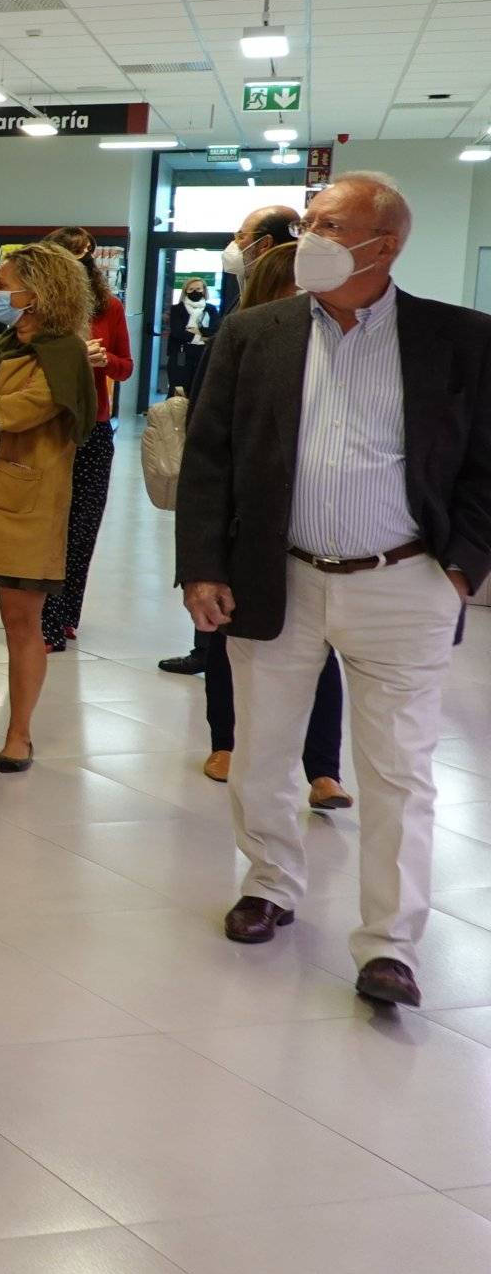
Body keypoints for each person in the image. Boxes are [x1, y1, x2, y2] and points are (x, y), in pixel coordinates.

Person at [176, 172, 491, 1008]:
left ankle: (388, 943)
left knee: (398, 770)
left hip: (405, 579)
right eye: (308, 218)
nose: (306, 232)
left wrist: (459, 566)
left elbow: (487, 467)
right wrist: (203, 565)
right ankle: (270, 883)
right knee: (264, 749)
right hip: (278, 576)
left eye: (326, 221)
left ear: (383, 245)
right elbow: (209, 458)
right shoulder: (255, 334)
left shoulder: (461, 339)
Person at [193, 241, 350, 809]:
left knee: (321, 654)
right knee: (231, 640)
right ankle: (225, 741)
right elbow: (207, 448)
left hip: (321, 539)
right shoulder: (239, 340)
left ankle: (323, 769)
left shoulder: (340, 349)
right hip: (248, 530)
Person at [163, 202, 307, 674]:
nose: (234, 243)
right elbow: (208, 442)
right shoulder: (238, 319)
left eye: (241, 234)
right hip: (237, 505)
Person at [0, 243, 96, 773]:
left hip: (26, 506)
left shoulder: (65, 355)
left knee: (21, 622)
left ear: (39, 294)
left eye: (4, 285)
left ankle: (19, 733)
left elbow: (19, 411)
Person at [40, 229, 132, 653]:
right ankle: (45, 619)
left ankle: (67, 613)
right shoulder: (40, 310)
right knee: (49, 524)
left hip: (93, 429)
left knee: (82, 526)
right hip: (49, 426)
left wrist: (103, 358)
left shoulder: (108, 307)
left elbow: (125, 368)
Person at [161, 276, 218, 396]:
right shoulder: (177, 309)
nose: (195, 292)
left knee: (199, 390)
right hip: (180, 355)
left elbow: (215, 330)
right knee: (178, 389)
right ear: (185, 291)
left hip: (202, 355)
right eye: (191, 289)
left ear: (204, 290)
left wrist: (198, 330)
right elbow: (178, 332)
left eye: (198, 288)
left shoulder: (211, 309)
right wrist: (201, 337)